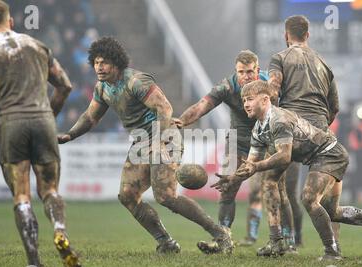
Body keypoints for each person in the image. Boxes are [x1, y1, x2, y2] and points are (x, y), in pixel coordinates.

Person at [57, 36, 233, 254]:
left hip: (165, 137)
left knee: (166, 197)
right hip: (142, 142)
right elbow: (90, 117)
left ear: (116, 63)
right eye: (96, 62)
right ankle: (166, 242)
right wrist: (70, 135)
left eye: (104, 62)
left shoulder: (136, 81)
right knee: (128, 195)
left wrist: (158, 141)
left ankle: (221, 235)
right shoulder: (103, 88)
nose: (99, 67)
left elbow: (165, 108)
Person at [213, 80, 362, 260]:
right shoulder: (259, 129)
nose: (245, 104)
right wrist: (232, 179)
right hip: (321, 157)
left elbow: (284, 156)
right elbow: (250, 164)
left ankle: (332, 252)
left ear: (265, 99)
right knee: (331, 211)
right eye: (244, 100)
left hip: (329, 154)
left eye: (250, 99)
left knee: (309, 198)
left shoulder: (279, 120)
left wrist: (256, 166)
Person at [0, 0, 81, 267]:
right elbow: (65, 85)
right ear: (11, 22)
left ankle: (34, 262)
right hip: (42, 119)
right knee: (50, 189)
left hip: (11, 124)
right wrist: (48, 116)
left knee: (22, 194)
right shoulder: (36, 45)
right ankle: (60, 231)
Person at [174, 50, 270, 248]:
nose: (245, 76)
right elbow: (203, 106)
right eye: (241, 72)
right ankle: (223, 239)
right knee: (227, 188)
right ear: (236, 71)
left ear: (257, 70)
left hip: (270, 142)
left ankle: (284, 240)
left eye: (250, 72)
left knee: (273, 191)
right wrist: (182, 121)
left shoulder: (271, 84)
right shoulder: (227, 87)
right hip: (238, 142)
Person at [267, 15, 341, 248]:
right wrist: (320, 124)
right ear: (307, 35)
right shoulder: (323, 63)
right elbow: (335, 107)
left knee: (272, 182)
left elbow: (273, 93)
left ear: (285, 35)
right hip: (320, 132)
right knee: (325, 199)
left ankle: (279, 241)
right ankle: (333, 246)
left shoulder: (279, 58)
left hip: (291, 130)